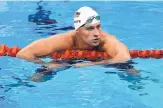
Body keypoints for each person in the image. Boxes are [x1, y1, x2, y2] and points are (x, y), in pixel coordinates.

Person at [16, 6, 131, 71]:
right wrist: (45, 65)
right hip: (65, 59)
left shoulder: (106, 40)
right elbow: (24, 54)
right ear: (78, 30)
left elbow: (124, 57)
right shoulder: (64, 40)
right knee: (45, 71)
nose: (97, 33)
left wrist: (89, 65)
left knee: (129, 69)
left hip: (94, 61)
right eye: (90, 29)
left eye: (98, 27)